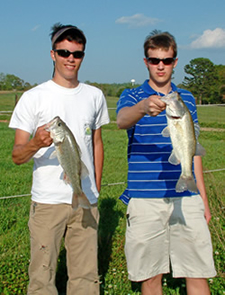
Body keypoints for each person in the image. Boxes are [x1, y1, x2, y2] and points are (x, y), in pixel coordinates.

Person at [9, 23, 110, 295]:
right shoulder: (33, 98)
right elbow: (17, 156)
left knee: (86, 279)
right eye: (63, 52)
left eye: (77, 54)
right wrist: (35, 143)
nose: (70, 59)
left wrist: (95, 189)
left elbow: (97, 144)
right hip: (47, 202)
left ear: (83, 56)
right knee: (42, 279)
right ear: (52, 54)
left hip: (86, 199)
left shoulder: (95, 96)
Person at [116, 31, 216, 295]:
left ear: (175, 61)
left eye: (167, 60)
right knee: (150, 277)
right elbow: (121, 121)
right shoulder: (131, 95)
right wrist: (142, 108)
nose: (161, 66)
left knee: (198, 272)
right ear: (146, 61)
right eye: (154, 60)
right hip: (145, 198)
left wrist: (202, 199)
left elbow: (192, 150)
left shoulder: (187, 99)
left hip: (187, 199)